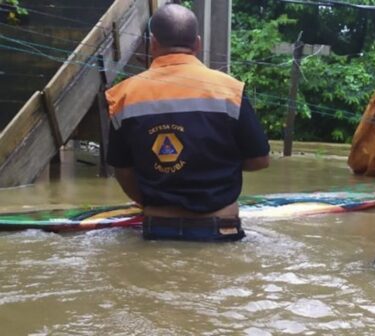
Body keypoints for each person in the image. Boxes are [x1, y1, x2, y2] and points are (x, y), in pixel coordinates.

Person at [105, 4, 270, 242]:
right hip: (221, 229)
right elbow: (260, 160)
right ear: (197, 43)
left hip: (157, 230)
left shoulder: (123, 96)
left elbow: (123, 171)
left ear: (153, 43)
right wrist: (216, 162)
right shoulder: (230, 90)